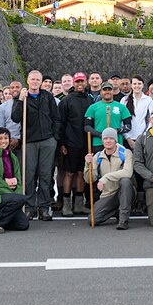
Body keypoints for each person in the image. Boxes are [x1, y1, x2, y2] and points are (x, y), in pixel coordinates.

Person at [12, 70, 60, 221]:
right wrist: (20, 100)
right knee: (29, 175)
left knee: (45, 175)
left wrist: (54, 138)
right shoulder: (22, 97)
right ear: (27, 80)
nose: (35, 82)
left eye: (37, 79)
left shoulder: (48, 97)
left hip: (47, 140)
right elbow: (15, 117)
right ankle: (29, 207)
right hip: (29, 141)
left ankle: (44, 208)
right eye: (32, 79)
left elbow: (56, 118)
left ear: (41, 81)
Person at [84, 127, 135, 229]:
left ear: (115, 140)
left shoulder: (126, 153)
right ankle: (116, 210)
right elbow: (90, 179)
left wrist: (105, 178)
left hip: (124, 191)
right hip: (108, 194)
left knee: (125, 181)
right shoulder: (97, 156)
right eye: (105, 138)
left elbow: (128, 172)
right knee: (92, 220)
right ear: (102, 141)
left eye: (111, 138)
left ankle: (123, 220)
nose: (108, 141)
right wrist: (87, 164)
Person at [58, 72, 93, 216]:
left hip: (87, 142)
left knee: (81, 173)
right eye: (77, 82)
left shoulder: (90, 100)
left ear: (86, 82)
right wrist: (62, 143)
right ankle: (66, 204)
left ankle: (78, 204)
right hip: (71, 142)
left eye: (82, 81)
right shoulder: (66, 100)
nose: (80, 84)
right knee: (69, 173)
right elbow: (61, 123)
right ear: (74, 83)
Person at [84, 82, 132, 150]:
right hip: (98, 143)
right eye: (105, 90)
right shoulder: (93, 107)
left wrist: (117, 130)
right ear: (101, 92)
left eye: (109, 90)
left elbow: (128, 126)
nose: (107, 92)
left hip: (117, 143)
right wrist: (101, 135)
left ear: (113, 91)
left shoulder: (121, 107)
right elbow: (87, 127)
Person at [120, 75, 153, 148]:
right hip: (127, 138)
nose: (137, 86)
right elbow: (121, 120)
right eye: (135, 84)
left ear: (143, 85)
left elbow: (151, 119)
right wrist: (128, 138)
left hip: (143, 138)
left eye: (139, 84)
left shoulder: (148, 100)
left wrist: (143, 136)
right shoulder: (124, 100)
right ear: (131, 85)